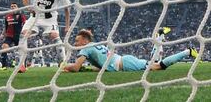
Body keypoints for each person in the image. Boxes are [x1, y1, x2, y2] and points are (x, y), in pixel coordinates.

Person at [63, 29, 199, 73]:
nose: (75, 44)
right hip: (124, 61)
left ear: (85, 40)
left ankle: (188, 51)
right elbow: (101, 65)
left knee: (158, 66)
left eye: (77, 41)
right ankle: (159, 36)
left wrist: (63, 66)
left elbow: (75, 67)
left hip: (125, 63)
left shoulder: (86, 49)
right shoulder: (94, 45)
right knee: (156, 62)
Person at [19, 0, 71, 72]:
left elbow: (67, 8)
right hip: (35, 17)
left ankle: (62, 64)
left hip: (50, 19)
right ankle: (21, 65)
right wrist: (29, 7)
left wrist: (67, 26)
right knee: (23, 35)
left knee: (55, 36)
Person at [0, 2, 26, 70]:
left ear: (17, 8)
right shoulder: (7, 16)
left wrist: (25, 32)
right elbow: (6, 26)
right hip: (9, 36)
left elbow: (25, 24)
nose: (13, 7)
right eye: (11, 6)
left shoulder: (21, 16)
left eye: (14, 6)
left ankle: (23, 66)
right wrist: (2, 34)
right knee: (4, 47)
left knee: (22, 51)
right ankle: (4, 66)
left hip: (18, 36)